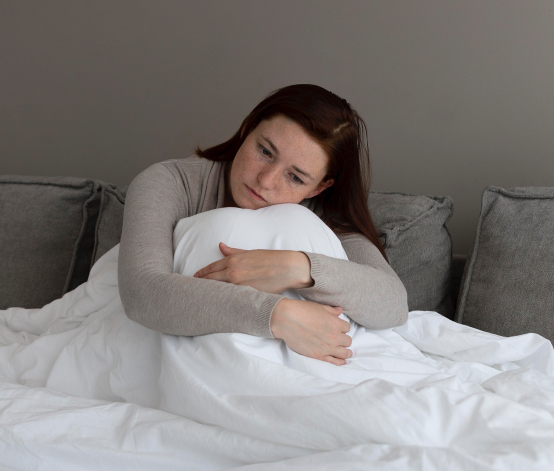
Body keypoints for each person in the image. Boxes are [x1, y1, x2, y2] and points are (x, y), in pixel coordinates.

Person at [118, 84, 408, 366]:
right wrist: (277, 315)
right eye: (266, 152)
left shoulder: (325, 217)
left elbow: (393, 304)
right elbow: (142, 292)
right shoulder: (169, 183)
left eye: (295, 178)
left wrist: (298, 269)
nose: (266, 181)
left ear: (319, 187)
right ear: (248, 128)